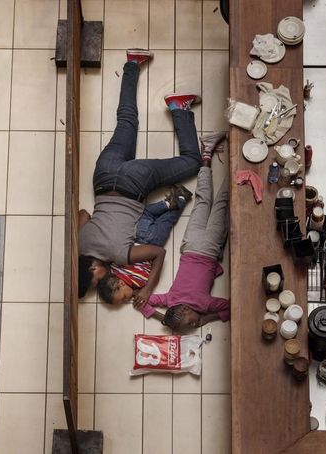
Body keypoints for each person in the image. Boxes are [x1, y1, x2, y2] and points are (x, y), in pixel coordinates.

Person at [78, 48, 203, 302]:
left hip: (135, 182)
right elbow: (83, 214)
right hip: (103, 176)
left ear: (93, 268)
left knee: (192, 162)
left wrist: (147, 289)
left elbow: (158, 252)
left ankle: (179, 108)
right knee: (126, 120)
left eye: (96, 279)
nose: (102, 279)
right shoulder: (79, 244)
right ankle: (133, 62)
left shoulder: (118, 255)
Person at [96, 132, 227, 306]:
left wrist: (145, 290)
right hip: (136, 232)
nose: (127, 300)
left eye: (124, 298)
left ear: (120, 284)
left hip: (153, 243)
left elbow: (155, 260)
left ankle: (179, 200)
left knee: (168, 221)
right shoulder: (115, 267)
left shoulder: (139, 282)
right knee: (148, 214)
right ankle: (167, 203)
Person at [133, 150, 230, 332]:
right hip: (190, 245)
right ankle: (206, 158)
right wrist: (164, 318)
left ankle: (234, 169)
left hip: (208, 249)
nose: (195, 324)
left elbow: (230, 307)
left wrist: (208, 318)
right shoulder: (169, 300)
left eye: (190, 323)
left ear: (185, 310)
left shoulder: (204, 305)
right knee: (203, 201)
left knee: (221, 204)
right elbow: (140, 301)